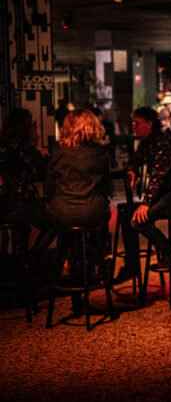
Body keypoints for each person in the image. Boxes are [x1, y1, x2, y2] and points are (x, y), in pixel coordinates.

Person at [112, 107, 171, 284]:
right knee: (127, 214)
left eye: (137, 123)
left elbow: (158, 176)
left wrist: (146, 203)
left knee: (137, 220)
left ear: (149, 124)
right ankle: (131, 266)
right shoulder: (147, 142)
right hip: (164, 197)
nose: (133, 126)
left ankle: (169, 252)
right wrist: (133, 169)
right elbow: (136, 158)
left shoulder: (162, 143)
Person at [44, 109, 112, 311]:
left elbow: (49, 187)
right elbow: (106, 188)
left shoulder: (56, 151)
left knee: (68, 224)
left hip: (62, 212)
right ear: (92, 127)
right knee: (98, 218)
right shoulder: (100, 154)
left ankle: (68, 260)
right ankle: (95, 261)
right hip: (91, 212)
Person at [0, 108, 51, 250]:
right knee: (53, 225)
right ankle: (31, 260)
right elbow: (47, 171)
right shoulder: (28, 150)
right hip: (23, 204)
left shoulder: (2, 148)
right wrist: (40, 148)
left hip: (3, 205)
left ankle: (19, 262)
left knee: (22, 225)